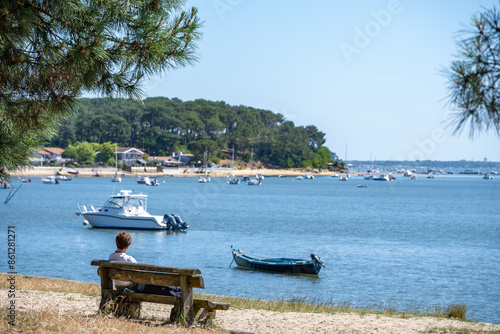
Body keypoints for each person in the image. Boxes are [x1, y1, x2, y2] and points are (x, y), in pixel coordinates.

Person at [109, 232, 181, 297]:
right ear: (128, 246)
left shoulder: (111, 257)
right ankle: (179, 290)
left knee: (157, 286)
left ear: (116, 243)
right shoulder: (129, 259)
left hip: (119, 286)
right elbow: (140, 274)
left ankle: (178, 290)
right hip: (133, 287)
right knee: (157, 285)